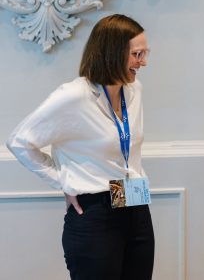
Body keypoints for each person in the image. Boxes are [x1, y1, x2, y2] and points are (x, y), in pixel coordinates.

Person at [7, 14, 154, 280]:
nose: (144, 62)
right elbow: (20, 142)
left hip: (135, 203)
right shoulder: (74, 96)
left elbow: (125, 157)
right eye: (137, 54)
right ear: (112, 52)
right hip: (96, 214)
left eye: (145, 53)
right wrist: (63, 180)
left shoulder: (134, 90)